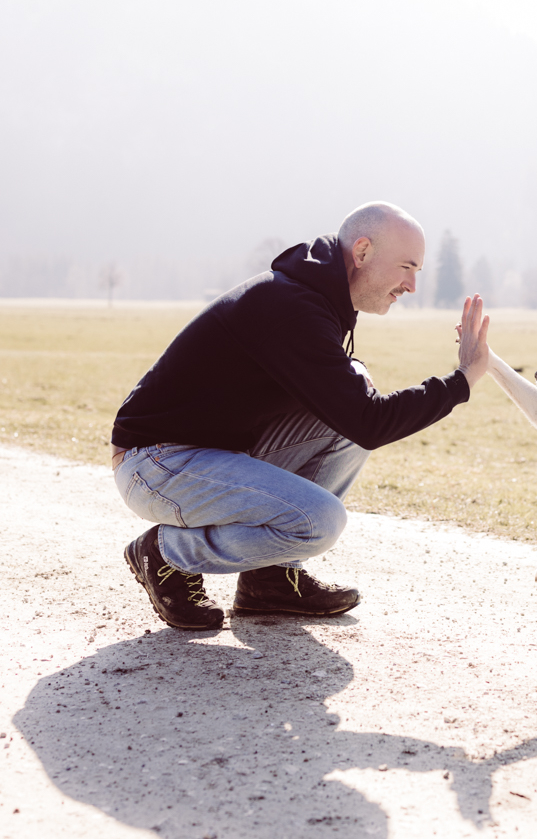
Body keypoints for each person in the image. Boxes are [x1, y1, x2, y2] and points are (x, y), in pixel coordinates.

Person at [111, 202, 490, 631]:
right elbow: (371, 422)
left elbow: (355, 420)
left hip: (209, 453)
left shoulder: (314, 301)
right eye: (407, 267)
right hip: (157, 463)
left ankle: (269, 580)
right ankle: (166, 554)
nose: (412, 285)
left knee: (353, 392)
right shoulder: (291, 308)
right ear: (362, 251)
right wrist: (462, 381)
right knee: (320, 521)